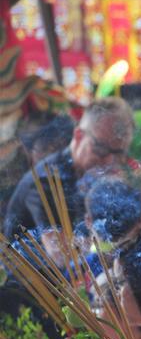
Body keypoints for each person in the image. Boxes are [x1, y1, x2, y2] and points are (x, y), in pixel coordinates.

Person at [4, 98, 134, 239]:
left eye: (119, 153)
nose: (110, 161)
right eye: (100, 149)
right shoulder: (47, 181)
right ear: (79, 135)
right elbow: (62, 253)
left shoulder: (91, 179)